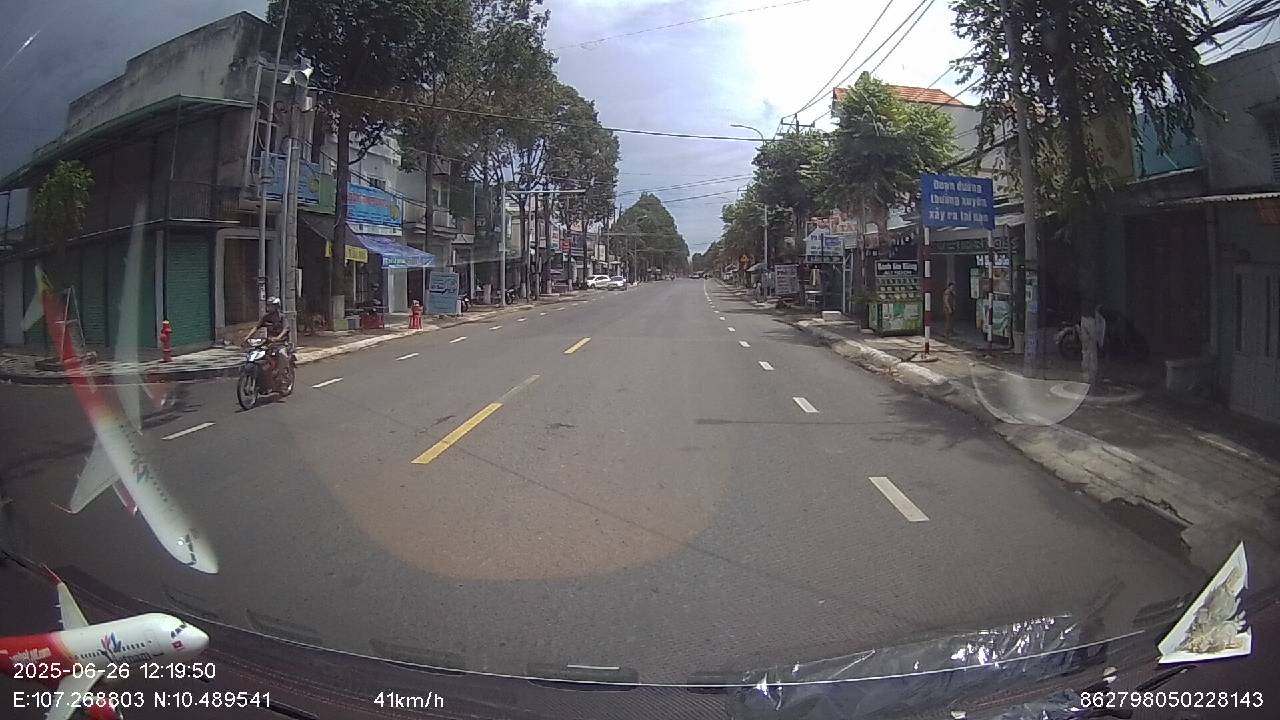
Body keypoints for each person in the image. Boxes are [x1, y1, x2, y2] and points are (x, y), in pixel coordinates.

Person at [244, 297, 290, 383]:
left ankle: (282, 375)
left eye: (271, 306)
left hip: (281, 343)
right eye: (268, 305)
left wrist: (278, 337)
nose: (269, 307)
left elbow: (286, 329)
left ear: (276, 307)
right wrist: (248, 336)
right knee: (257, 353)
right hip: (268, 342)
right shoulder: (266, 317)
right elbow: (256, 327)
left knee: (281, 354)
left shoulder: (282, 317)